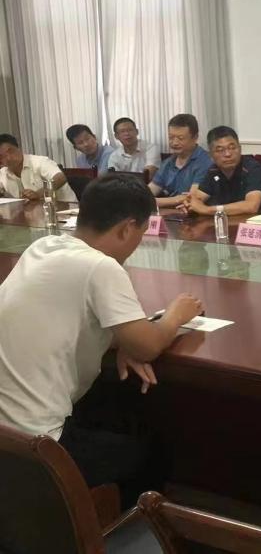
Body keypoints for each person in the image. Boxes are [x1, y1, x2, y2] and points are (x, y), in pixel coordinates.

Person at [0, 174, 203, 500]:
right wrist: (176, 315)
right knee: (152, 453)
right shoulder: (100, 266)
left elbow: (67, 321)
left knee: (108, 410)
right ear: (126, 228)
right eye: (140, 233)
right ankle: (123, 526)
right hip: (36, 444)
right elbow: (148, 346)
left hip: (6, 433)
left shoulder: (44, 246)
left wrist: (122, 338)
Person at [179, 126, 261, 218]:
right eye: (220, 150)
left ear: (240, 149)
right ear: (211, 155)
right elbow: (197, 199)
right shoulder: (213, 171)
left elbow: (251, 206)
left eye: (232, 148)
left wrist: (206, 210)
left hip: (259, 224)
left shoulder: (252, 168)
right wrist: (190, 205)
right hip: (228, 222)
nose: (228, 154)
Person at [148, 114, 213, 209]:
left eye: (180, 138)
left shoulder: (205, 162)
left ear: (195, 138)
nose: (175, 143)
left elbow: (191, 198)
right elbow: (151, 190)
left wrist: (152, 202)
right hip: (170, 213)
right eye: (171, 137)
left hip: (194, 214)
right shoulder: (168, 162)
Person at [0, 133, 77, 202]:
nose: (8, 158)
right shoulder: (2, 173)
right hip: (34, 211)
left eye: (11, 151)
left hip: (66, 208)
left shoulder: (40, 161)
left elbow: (61, 178)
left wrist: (38, 194)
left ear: (19, 147)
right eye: (2, 156)